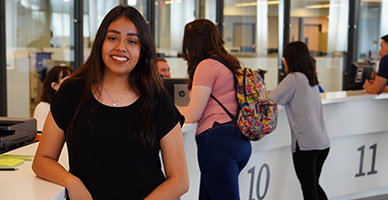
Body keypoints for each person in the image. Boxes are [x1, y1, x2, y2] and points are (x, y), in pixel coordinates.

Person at [32, 5, 189, 200]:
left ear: (142, 51)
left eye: (132, 41)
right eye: (113, 38)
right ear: (100, 43)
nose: (120, 47)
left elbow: (180, 180)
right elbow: (42, 160)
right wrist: (72, 181)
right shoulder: (72, 92)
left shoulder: (157, 100)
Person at [178, 19, 251, 200]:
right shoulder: (230, 64)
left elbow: (194, 114)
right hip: (239, 141)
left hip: (217, 144)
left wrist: (171, 111)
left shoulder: (206, 66)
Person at [268, 41, 330, 200]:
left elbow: (271, 99)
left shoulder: (293, 78)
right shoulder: (310, 78)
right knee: (314, 185)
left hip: (305, 145)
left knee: (309, 189)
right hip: (322, 143)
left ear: (289, 59)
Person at [33, 65, 73, 134]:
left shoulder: (73, 105)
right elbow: (40, 135)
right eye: (65, 77)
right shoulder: (43, 107)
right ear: (54, 85)